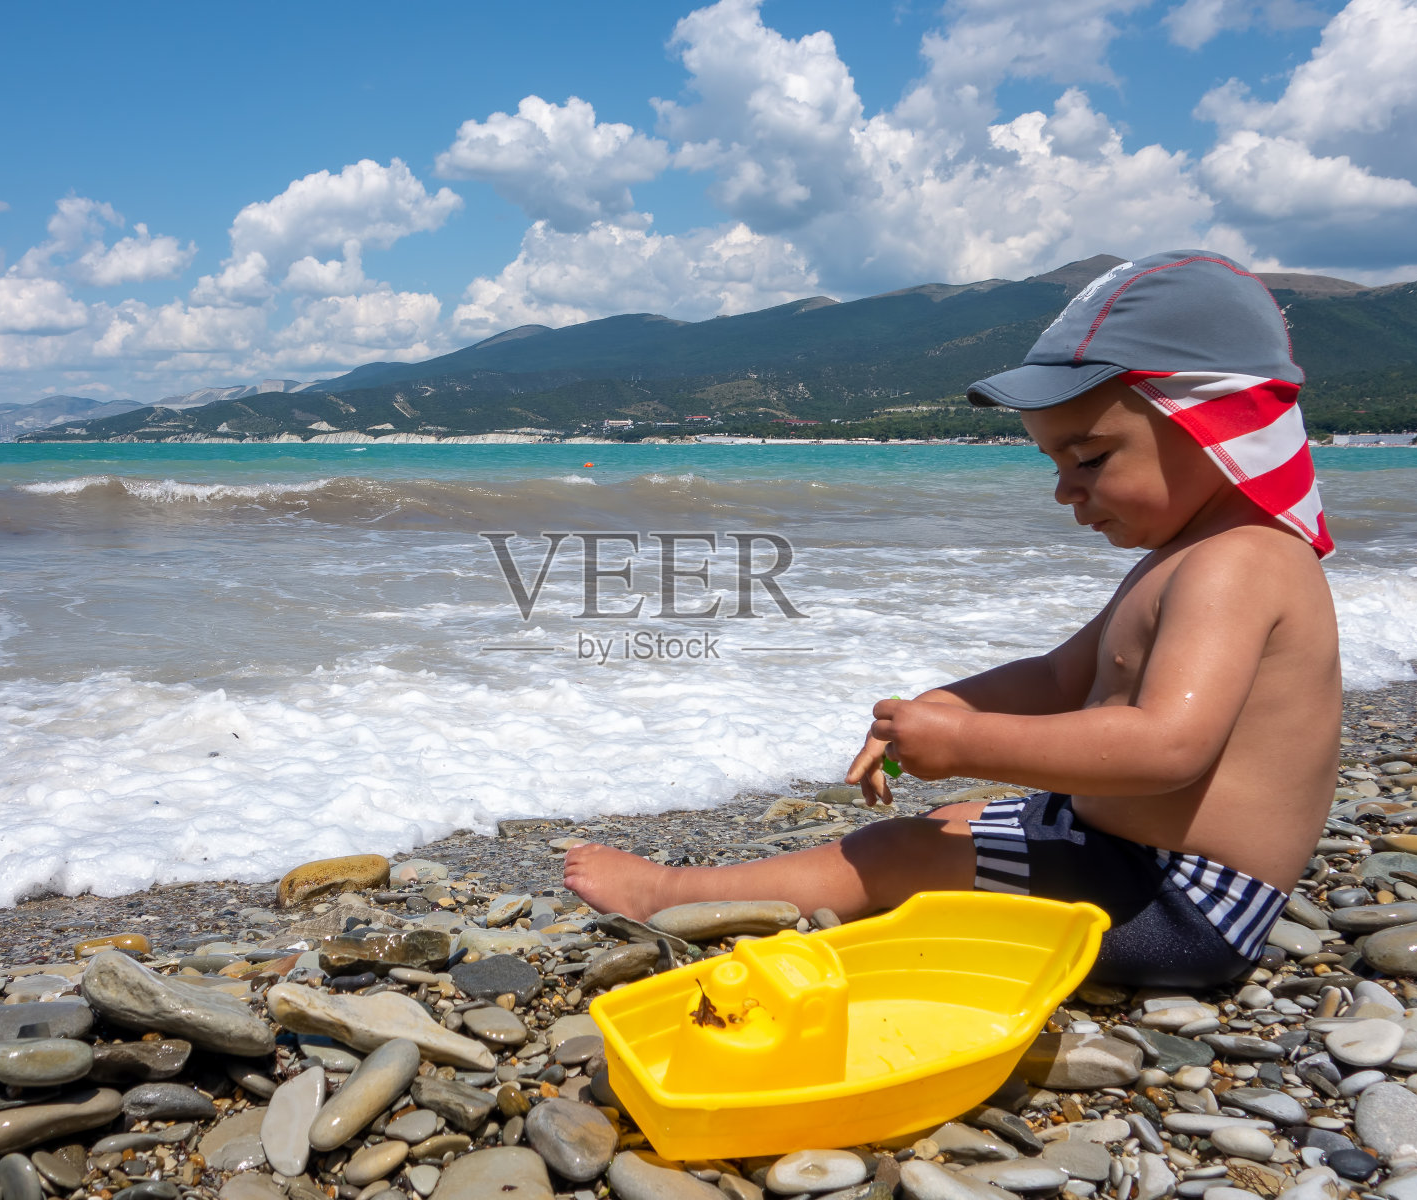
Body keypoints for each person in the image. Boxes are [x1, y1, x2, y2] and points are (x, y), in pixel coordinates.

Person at [564, 251, 1342, 987]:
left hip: (1182, 905)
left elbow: (1167, 747)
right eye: (1056, 465)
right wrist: (947, 705)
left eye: (1092, 457)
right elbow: (1060, 676)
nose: (1066, 491)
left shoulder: (1242, 561)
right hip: (1123, 853)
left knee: (900, 852)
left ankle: (670, 892)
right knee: (954, 823)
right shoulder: (1191, 556)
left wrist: (968, 743)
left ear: (1216, 424)